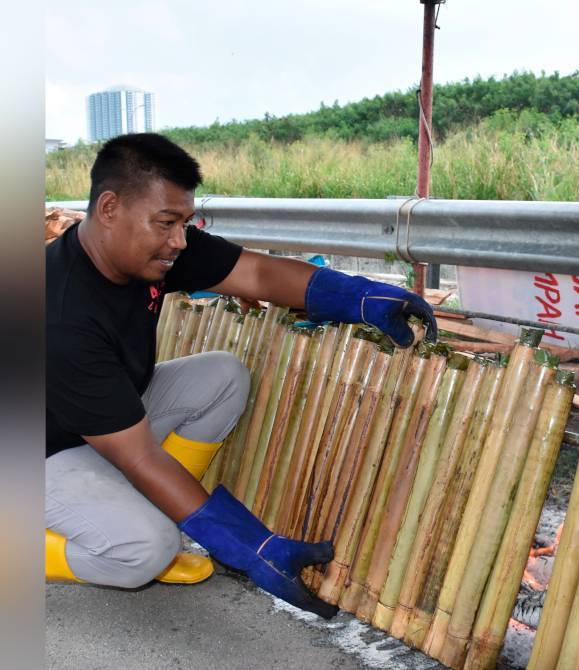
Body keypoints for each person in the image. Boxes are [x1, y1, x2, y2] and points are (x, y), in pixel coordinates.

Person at [45, 133, 437, 618]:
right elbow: (139, 456)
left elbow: (255, 274)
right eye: (167, 224)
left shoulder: (149, 248)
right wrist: (251, 545)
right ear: (108, 209)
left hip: (102, 416)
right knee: (145, 549)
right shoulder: (58, 312)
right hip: (42, 451)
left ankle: (149, 507)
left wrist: (359, 296)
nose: (179, 241)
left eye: (185, 222)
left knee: (222, 377)